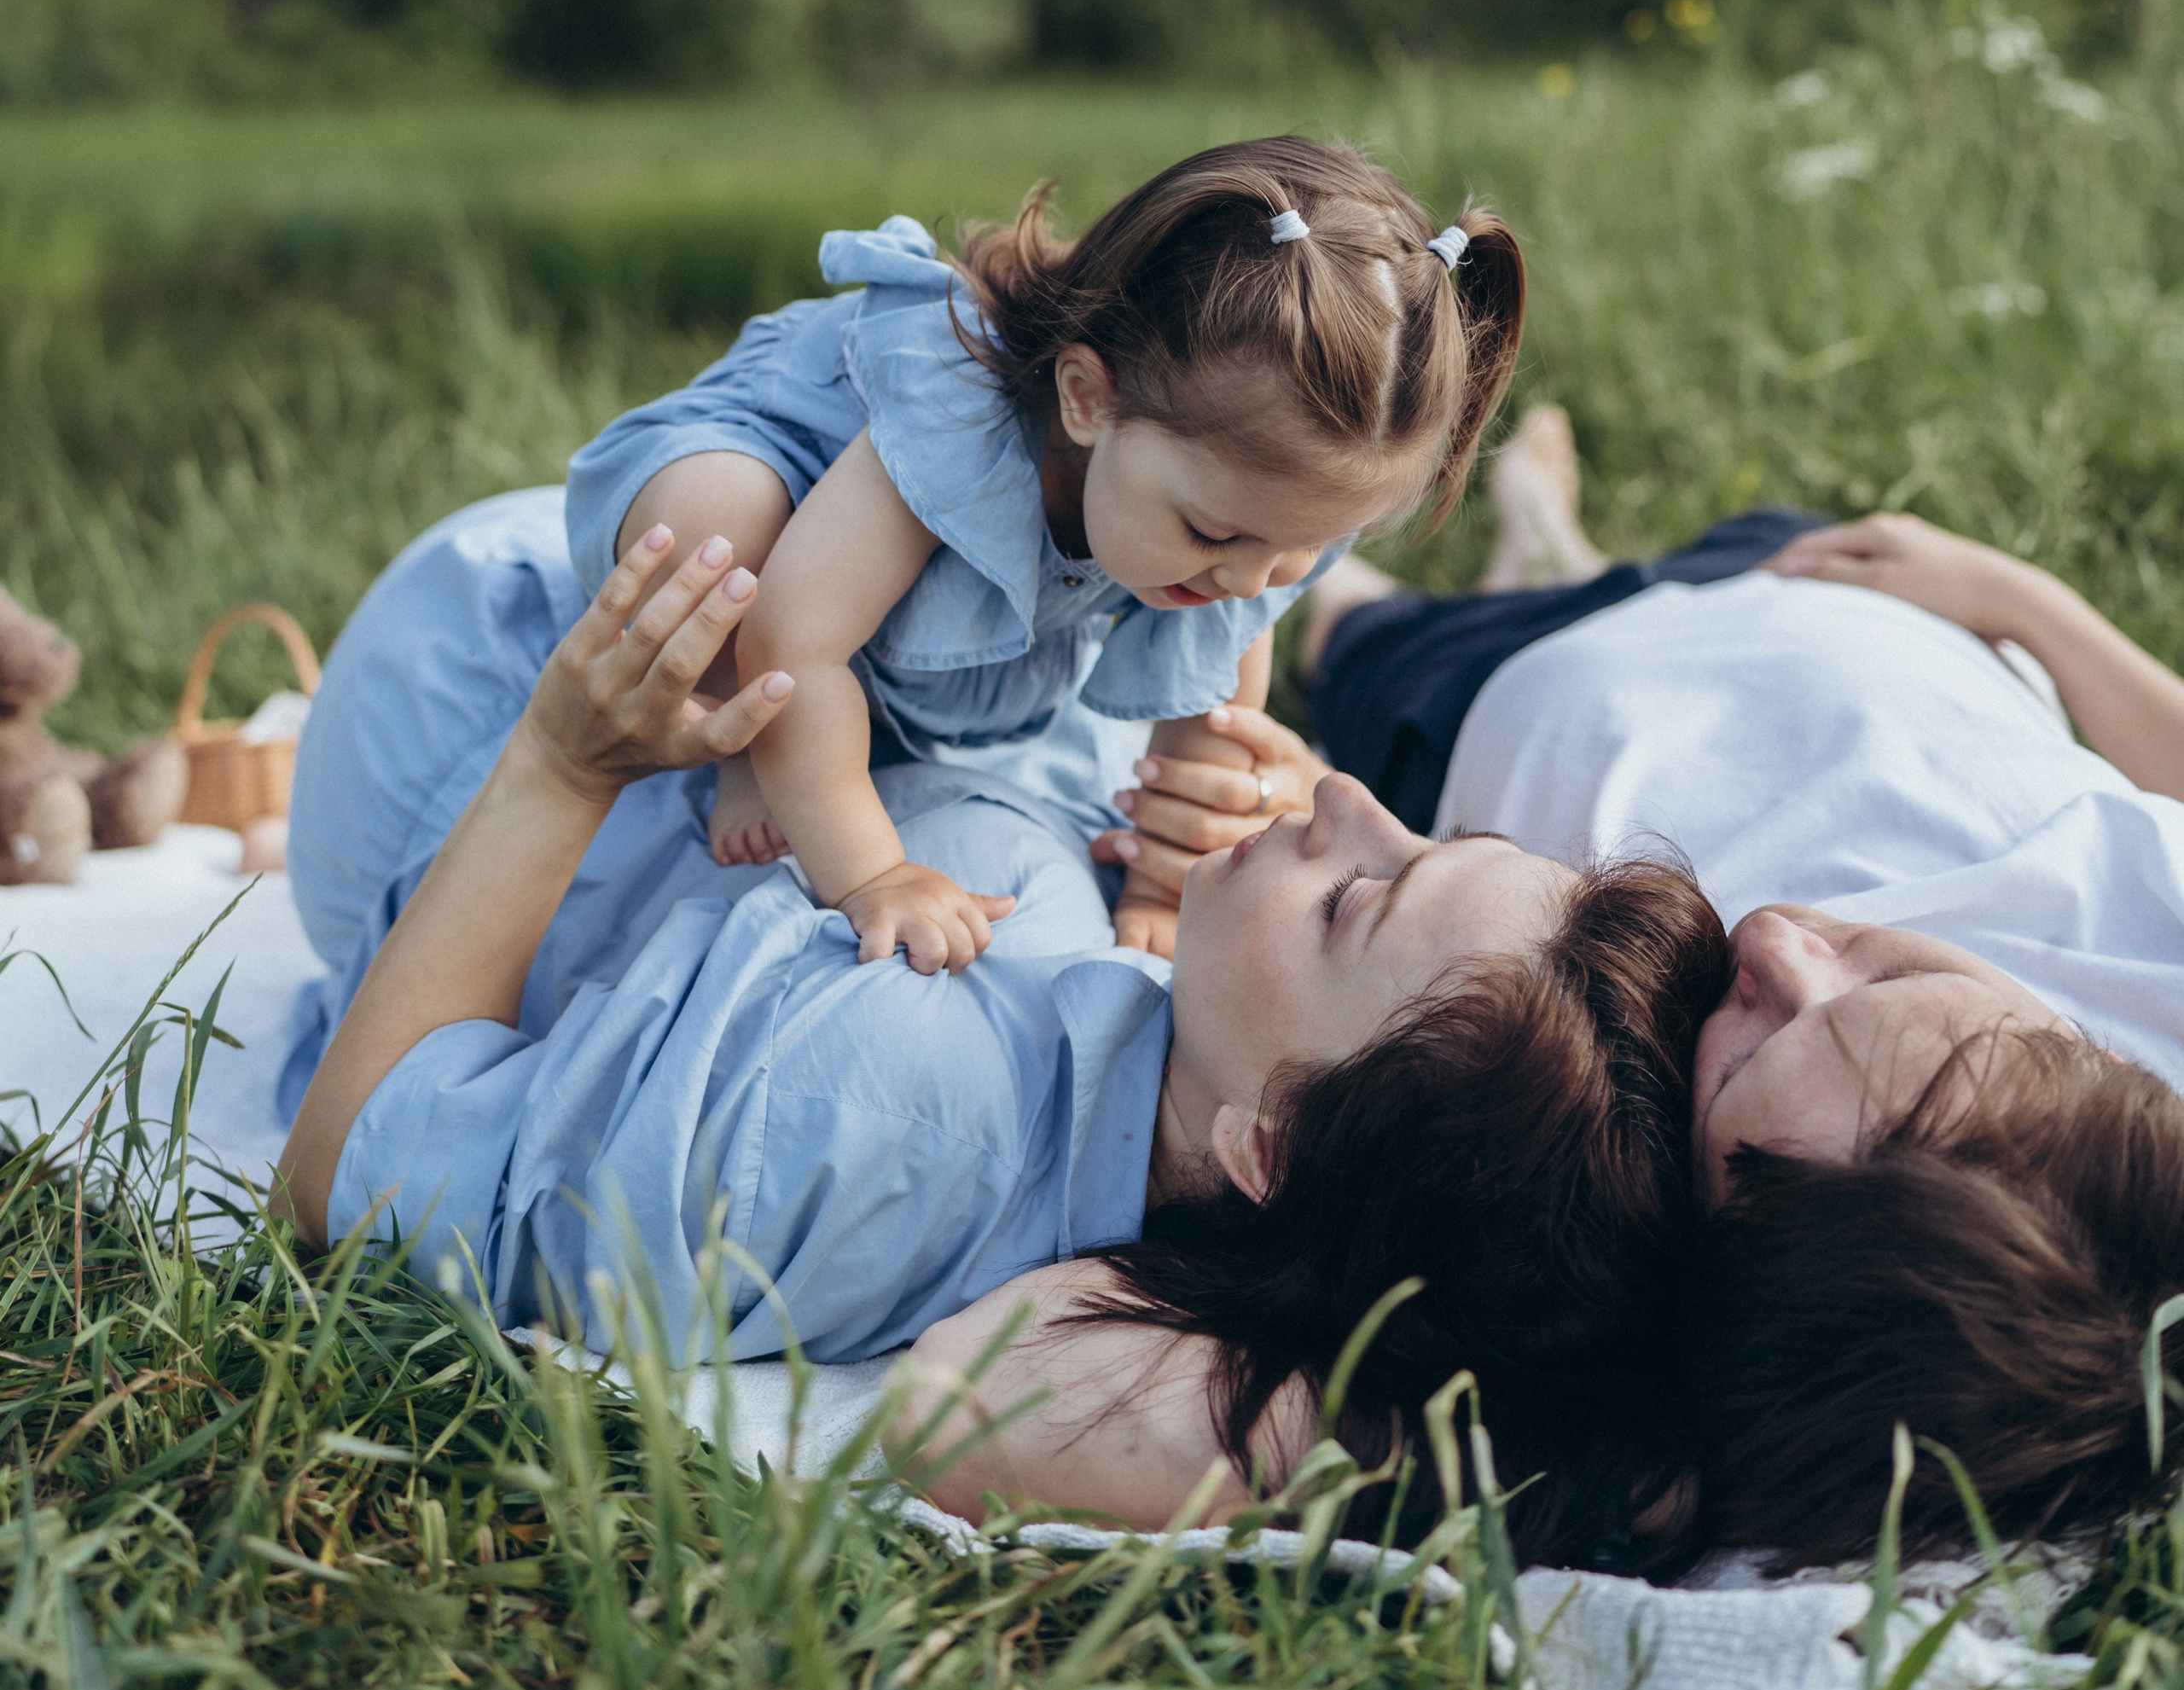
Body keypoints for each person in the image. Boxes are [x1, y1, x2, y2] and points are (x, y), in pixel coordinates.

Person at [275, 514, 1728, 1565]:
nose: (1341, 795)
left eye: (1361, 895)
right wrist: (1154, 879)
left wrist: (559, 758)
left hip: (469, 707)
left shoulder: (869, 1122)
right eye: (1417, 832)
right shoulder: (1150, 1059)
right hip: (716, 667)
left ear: (1268, 1142)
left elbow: (346, 1174)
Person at [1072, 412, 2184, 1564]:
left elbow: (1008, 1390)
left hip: (1468, 717)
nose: (1773, 942)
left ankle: (1507, 576)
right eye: (1884, 966)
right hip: (1824, 595)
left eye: (1743, 1050)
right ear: (2107, 1058)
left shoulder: (1674, 1265)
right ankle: (1548, 548)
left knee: (1348, 618)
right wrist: (2021, 603)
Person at [555, 142, 1524, 971]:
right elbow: (793, 640)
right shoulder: (956, 419)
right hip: (780, 502)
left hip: (878, 614)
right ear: (1086, 400)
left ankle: (834, 740)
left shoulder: (1245, 512)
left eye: (1301, 551)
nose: (1246, 580)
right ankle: (742, 738)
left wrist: (1157, 887)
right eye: (1216, 536)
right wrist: (872, 875)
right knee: (720, 537)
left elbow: (1212, 711)